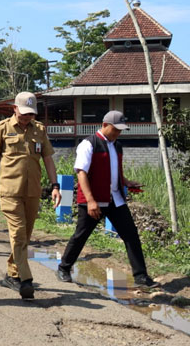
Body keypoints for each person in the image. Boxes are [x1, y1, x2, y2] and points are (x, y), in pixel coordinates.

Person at [57, 111, 160, 288]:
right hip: (94, 200)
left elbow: (114, 171)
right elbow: (81, 173)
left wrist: (126, 182)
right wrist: (90, 201)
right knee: (81, 235)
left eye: (120, 130)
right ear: (105, 125)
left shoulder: (117, 146)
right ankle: (64, 268)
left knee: (131, 235)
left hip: (115, 199)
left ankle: (141, 277)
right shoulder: (89, 144)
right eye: (115, 129)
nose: (118, 133)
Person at [0, 92, 61, 300]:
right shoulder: (3, 129)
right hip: (10, 191)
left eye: (31, 114)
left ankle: (12, 274)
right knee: (18, 234)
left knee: (24, 237)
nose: (27, 117)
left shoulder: (39, 130)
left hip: (32, 191)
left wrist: (55, 186)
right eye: (24, 113)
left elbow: (48, 159)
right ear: (14, 109)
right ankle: (26, 280)